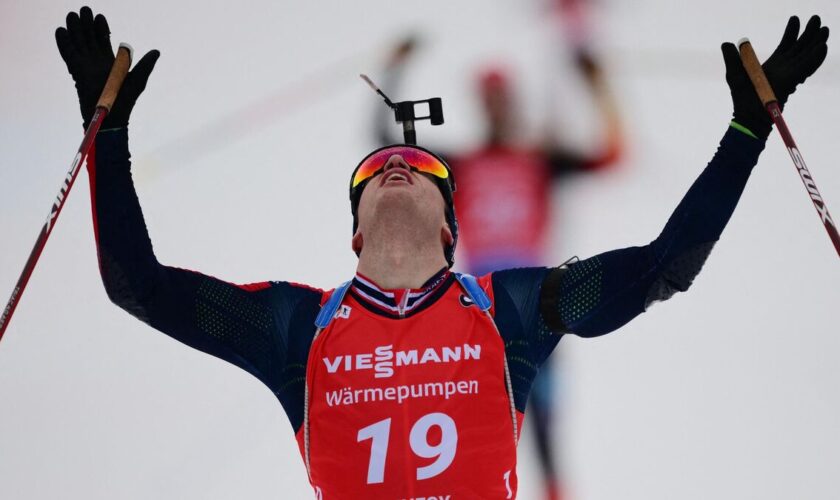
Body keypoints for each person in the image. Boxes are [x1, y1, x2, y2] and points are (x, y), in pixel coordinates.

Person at [55, 7, 829, 499]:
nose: (397, 164)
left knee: (552, 438)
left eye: (422, 170)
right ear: (353, 230)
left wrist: (745, 133)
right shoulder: (294, 326)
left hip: (515, 290)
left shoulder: (515, 310)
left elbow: (665, 266)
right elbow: (138, 286)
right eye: (373, 173)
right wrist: (107, 135)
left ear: (449, 228)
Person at [373, 19, 623, 499]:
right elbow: (388, 148)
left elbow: (612, 155)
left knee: (542, 420)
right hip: (477, 301)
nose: (495, 108)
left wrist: (598, 83)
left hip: (534, 297)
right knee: (468, 420)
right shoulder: (460, 166)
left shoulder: (539, 162)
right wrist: (395, 67)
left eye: (501, 98)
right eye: (488, 99)